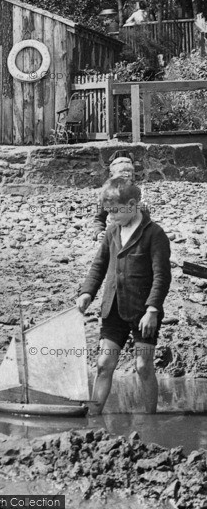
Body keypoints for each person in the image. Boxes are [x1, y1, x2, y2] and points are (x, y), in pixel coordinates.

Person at [77, 177, 171, 415]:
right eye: (108, 213)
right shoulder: (111, 232)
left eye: (116, 212)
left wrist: (152, 310)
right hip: (114, 310)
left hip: (143, 314)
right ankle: (94, 414)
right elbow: (99, 266)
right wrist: (87, 292)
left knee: (142, 365)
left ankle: (150, 418)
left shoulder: (154, 234)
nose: (111, 217)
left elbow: (162, 276)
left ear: (132, 204)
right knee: (104, 364)